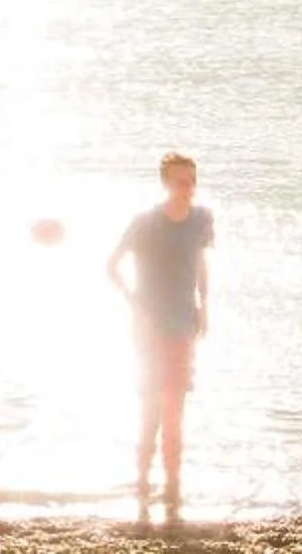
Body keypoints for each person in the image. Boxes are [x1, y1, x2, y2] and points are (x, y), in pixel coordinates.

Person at [106, 150, 213, 520]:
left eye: (193, 180)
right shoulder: (145, 223)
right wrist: (137, 308)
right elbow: (112, 266)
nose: (189, 187)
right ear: (166, 183)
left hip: (183, 326)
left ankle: (172, 489)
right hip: (148, 329)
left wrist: (204, 304)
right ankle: (141, 484)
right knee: (150, 409)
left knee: (175, 410)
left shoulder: (201, 219)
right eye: (182, 181)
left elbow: (200, 263)